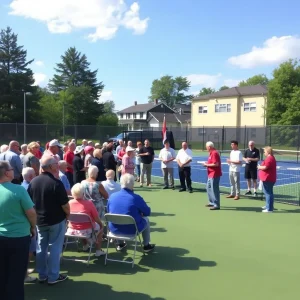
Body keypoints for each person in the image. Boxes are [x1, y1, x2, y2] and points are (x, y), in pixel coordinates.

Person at [28, 156, 70, 285]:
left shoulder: (33, 182)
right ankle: (53, 276)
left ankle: (42, 275)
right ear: (51, 166)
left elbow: (30, 203)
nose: (58, 166)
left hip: (40, 221)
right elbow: (65, 205)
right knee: (54, 249)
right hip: (56, 221)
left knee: (41, 248)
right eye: (56, 164)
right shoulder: (56, 183)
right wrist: (68, 216)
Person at [0, 161, 37, 300]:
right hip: (18, 239)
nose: (13, 170)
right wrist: (32, 227)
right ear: (6, 173)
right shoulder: (19, 189)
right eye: (11, 169)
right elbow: (31, 213)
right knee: (16, 276)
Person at [107, 174, 155, 252]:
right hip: (132, 230)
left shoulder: (112, 196)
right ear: (132, 185)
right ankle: (146, 245)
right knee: (146, 219)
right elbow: (147, 212)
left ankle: (120, 244)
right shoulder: (136, 198)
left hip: (114, 230)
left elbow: (109, 211)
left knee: (116, 217)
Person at [67, 183, 106, 256]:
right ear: (83, 193)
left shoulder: (69, 203)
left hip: (72, 229)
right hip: (87, 229)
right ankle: (98, 250)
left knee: (80, 224)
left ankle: (85, 246)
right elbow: (96, 218)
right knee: (101, 226)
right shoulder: (89, 203)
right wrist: (101, 225)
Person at [20, 167, 37, 283]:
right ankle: (24, 274)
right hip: (26, 225)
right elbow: (31, 210)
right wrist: (33, 226)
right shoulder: (27, 188)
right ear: (31, 177)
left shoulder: (21, 186)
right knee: (28, 250)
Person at [202, 141, 222, 210]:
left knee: (214, 189)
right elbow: (211, 162)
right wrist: (207, 163)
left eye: (206, 147)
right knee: (208, 188)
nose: (206, 148)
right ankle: (211, 202)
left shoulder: (214, 153)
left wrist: (206, 165)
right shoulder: (211, 153)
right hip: (210, 174)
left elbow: (216, 164)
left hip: (214, 174)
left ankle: (216, 205)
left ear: (209, 147)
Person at [258, 147, 277, 213]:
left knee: (268, 193)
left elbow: (265, 167)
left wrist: (259, 167)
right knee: (268, 193)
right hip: (269, 178)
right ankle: (268, 206)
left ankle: (269, 209)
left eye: (264, 152)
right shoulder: (270, 158)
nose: (264, 153)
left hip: (268, 178)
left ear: (268, 152)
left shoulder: (270, 158)